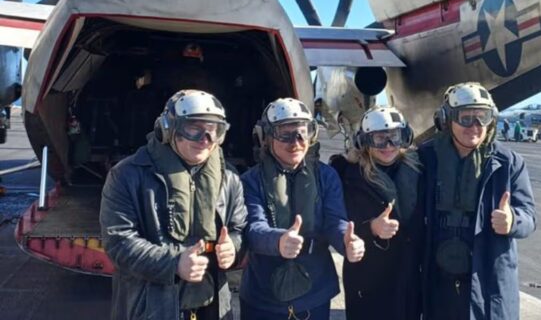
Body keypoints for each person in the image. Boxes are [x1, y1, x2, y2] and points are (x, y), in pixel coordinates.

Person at [100, 89, 247, 320]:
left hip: (211, 306)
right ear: (169, 129)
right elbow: (119, 242)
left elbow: (239, 230)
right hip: (150, 309)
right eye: (193, 128)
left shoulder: (229, 177)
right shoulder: (127, 175)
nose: (205, 140)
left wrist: (233, 248)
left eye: (213, 130)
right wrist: (174, 264)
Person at [240, 98, 365, 320]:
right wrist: (279, 241)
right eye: (284, 134)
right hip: (263, 296)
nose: (295, 142)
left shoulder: (326, 176)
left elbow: (335, 221)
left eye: (302, 133)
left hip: (315, 293)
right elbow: (254, 228)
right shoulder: (251, 180)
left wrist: (346, 241)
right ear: (266, 137)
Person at [420, 82, 536, 320]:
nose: (474, 126)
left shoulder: (509, 163)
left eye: (482, 117)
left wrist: (513, 221)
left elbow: (529, 217)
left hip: (486, 282)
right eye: (465, 118)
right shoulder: (424, 158)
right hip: (438, 280)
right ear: (446, 119)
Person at [330, 106, 424, 320]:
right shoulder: (347, 174)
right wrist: (371, 228)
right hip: (368, 278)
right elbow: (338, 221)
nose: (388, 146)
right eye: (379, 139)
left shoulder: (418, 169)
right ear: (364, 141)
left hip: (408, 276)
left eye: (394, 137)